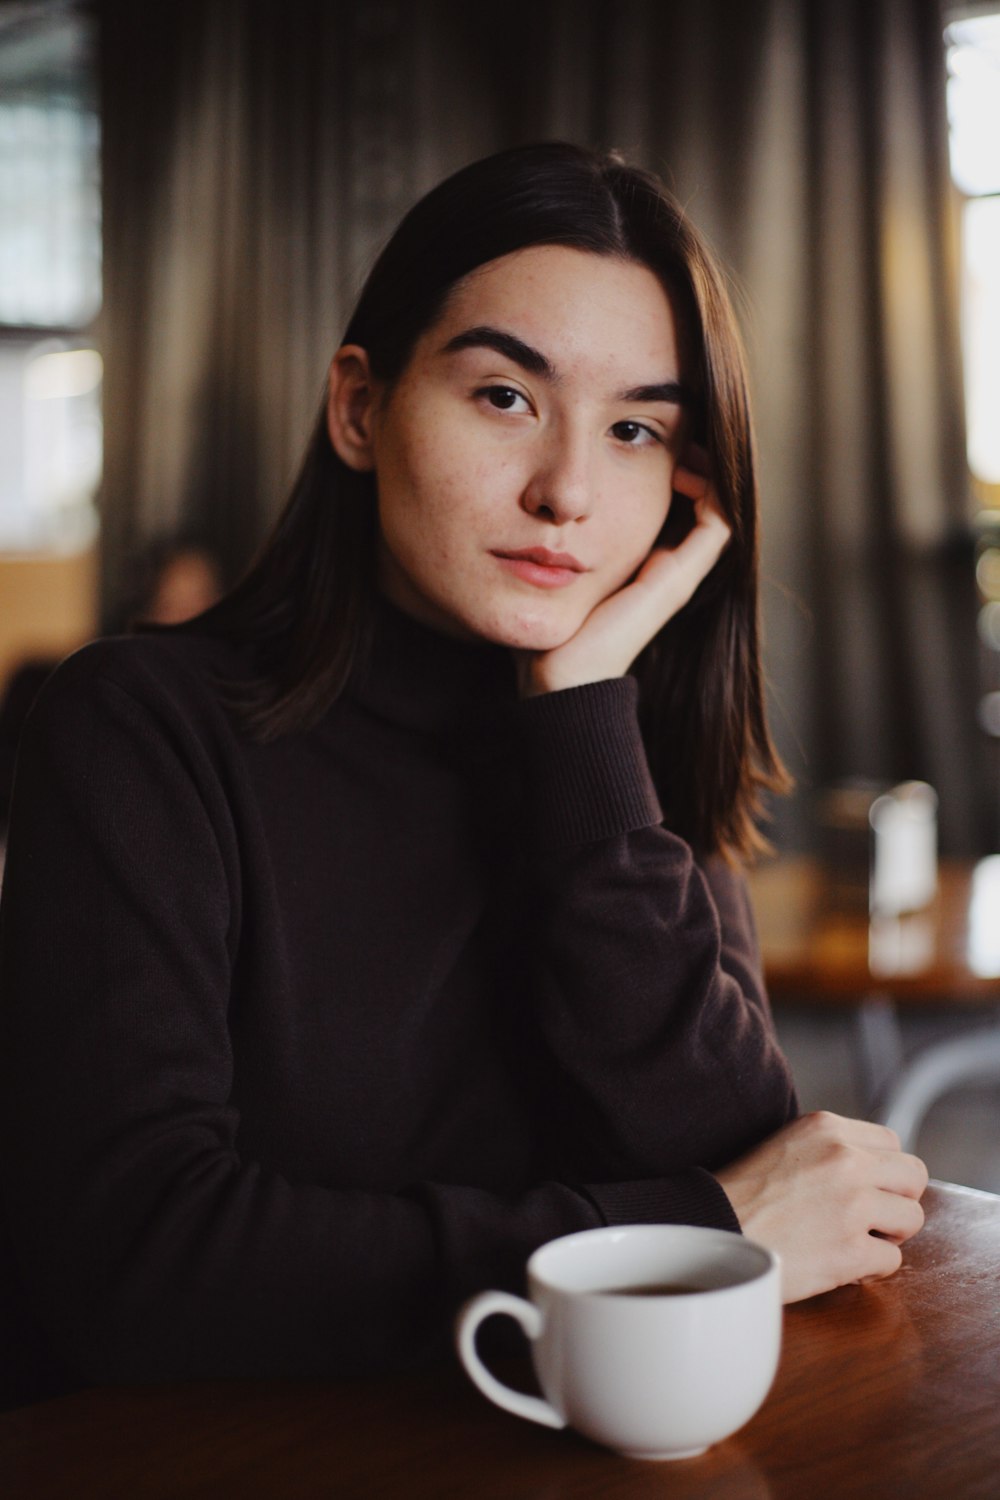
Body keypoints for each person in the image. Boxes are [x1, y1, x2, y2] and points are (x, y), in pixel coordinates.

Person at [0, 142, 927, 1400]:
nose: (567, 490)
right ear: (360, 408)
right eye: (505, 396)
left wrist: (585, 727)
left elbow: (754, 1175)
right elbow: (134, 1265)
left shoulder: (607, 752)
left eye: (636, 428)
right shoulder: (137, 729)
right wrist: (674, 1238)